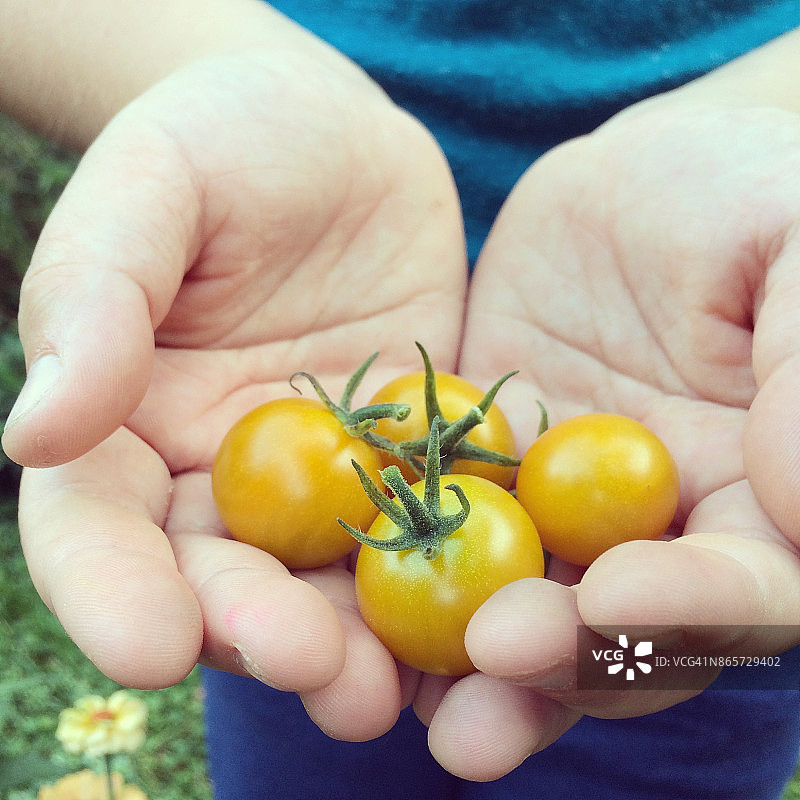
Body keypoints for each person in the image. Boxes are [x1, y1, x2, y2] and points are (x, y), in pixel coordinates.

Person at [2, 0, 800, 797]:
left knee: (674, 660)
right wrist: (203, 66)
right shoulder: (386, 498)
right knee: (314, 706)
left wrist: (771, 111)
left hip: (699, 533)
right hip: (302, 336)